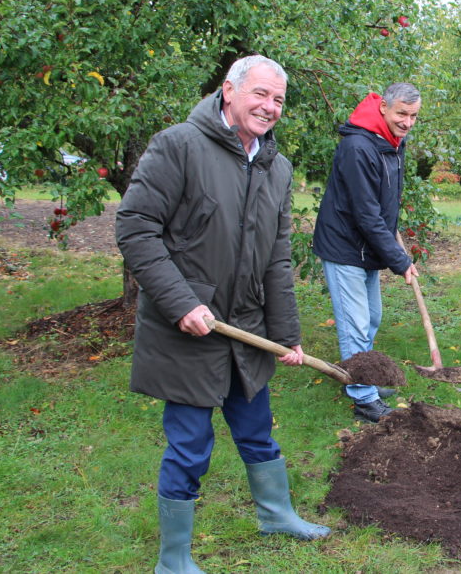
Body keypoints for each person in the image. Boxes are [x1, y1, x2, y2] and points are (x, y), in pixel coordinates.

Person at [116, 55, 329, 574]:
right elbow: (136, 228)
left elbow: (277, 257)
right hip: (187, 330)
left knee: (257, 429)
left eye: (279, 99)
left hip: (248, 329)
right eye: (260, 94)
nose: (270, 106)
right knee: (190, 446)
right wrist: (181, 302)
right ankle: (174, 560)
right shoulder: (179, 146)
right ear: (228, 90)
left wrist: (287, 333)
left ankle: (276, 515)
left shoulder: (277, 167)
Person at [312, 83, 421, 423]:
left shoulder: (391, 142)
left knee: (371, 317)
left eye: (414, 116)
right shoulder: (358, 146)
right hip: (345, 245)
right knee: (355, 324)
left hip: (366, 245)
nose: (407, 122)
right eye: (402, 113)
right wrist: (400, 260)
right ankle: (363, 398)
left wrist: (390, 236)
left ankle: (363, 377)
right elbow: (365, 213)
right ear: (384, 109)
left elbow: (382, 202)